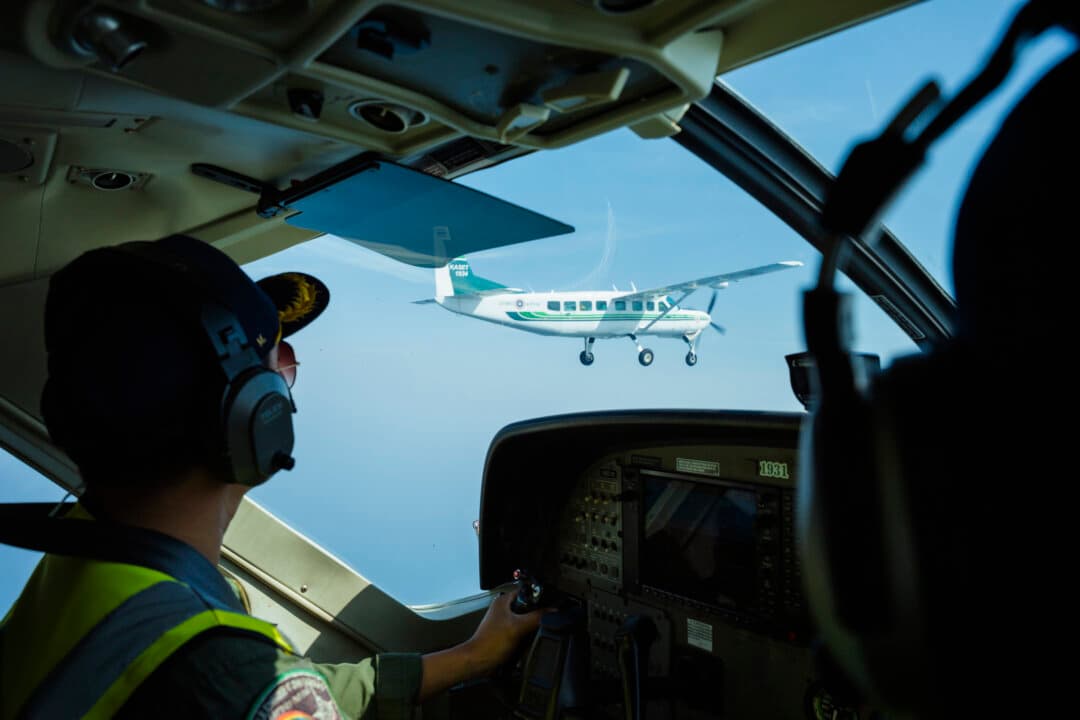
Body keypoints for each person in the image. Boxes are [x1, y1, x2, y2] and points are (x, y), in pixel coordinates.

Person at [0, 234, 543, 719]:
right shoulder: (219, 666)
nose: (290, 371)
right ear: (247, 410)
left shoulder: (90, 565)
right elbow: (250, 689)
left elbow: (287, 692)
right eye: (275, 357)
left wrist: (469, 657)